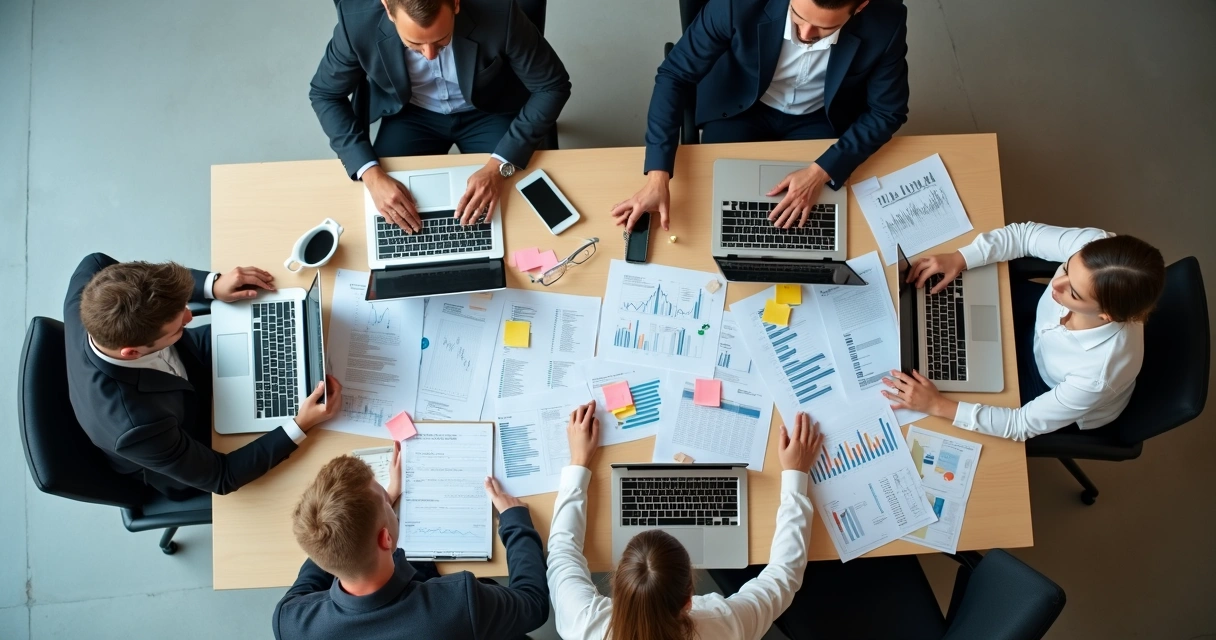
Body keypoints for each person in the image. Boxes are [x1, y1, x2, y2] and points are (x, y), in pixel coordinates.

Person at [613, 0, 909, 232]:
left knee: (815, 219)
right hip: (739, 106)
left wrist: (821, 171)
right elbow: (675, 74)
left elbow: (887, 112)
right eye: (797, 16)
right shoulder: (738, 3)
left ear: (859, 7)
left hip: (820, 117)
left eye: (823, 29)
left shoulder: (887, 23)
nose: (804, 35)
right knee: (715, 211)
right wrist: (657, 177)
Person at [65, 253, 344, 499]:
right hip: (192, 433)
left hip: (195, 359)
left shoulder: (95, 277)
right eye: (177, 325)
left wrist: (213, 285)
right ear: (131, 353)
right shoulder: (137, 428)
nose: (190, 316)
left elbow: (141, 278)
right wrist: (300, 424)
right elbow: (223, 476)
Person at [547, 400, 823, 640]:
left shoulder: (583, 624)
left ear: (617, 584)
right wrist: (795, 473)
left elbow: (562, 552)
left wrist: (578, 460)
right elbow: (783, 577)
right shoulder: (725, 627)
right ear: (689, 602)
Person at [883, 222, 1166, 441]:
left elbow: (1021, 424)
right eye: (1066, 267)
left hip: (1047, 381)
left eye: (1074, 292)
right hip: (1040, 325)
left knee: (943, 398)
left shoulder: (1095, 376)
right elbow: (1024, 236)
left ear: (1107, 315)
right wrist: (961, 257)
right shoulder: (1097, 249)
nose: (1055, 284)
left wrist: (937, 405)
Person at [310, 0, 571, 230]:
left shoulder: (500, 9)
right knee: (389, 214)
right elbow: (325, 94)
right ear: (388, 9)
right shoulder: (355, 20)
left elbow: (552, 86)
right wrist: (371, 174)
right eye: (414, 44)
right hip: (411, 114)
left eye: (442, 40)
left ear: (456, 4)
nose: (430, 55)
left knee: (513, 214)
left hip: (486, 109)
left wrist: (496, 167)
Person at [273, 444, 549, 639]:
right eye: (384, 497)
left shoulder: (292, 623)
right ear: (386, 538)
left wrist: (372, 509)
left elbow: (328, 542)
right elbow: (534, 604)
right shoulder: (458, 602)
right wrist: (515, 520)